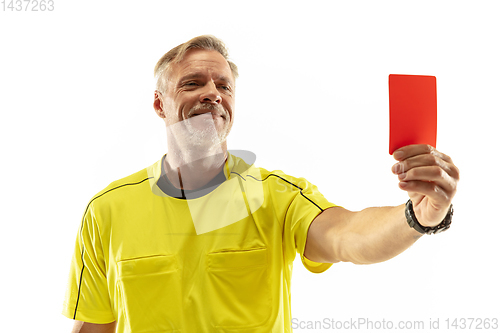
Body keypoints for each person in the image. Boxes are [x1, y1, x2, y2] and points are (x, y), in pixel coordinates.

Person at [63, 35, 459, 333]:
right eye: (192, 83)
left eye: (223, 86)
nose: (212, 95)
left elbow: (347, 236)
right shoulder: (107, 210)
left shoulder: (276, 196)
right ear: (158, 104)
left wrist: (419, 216)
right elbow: (95, 325)